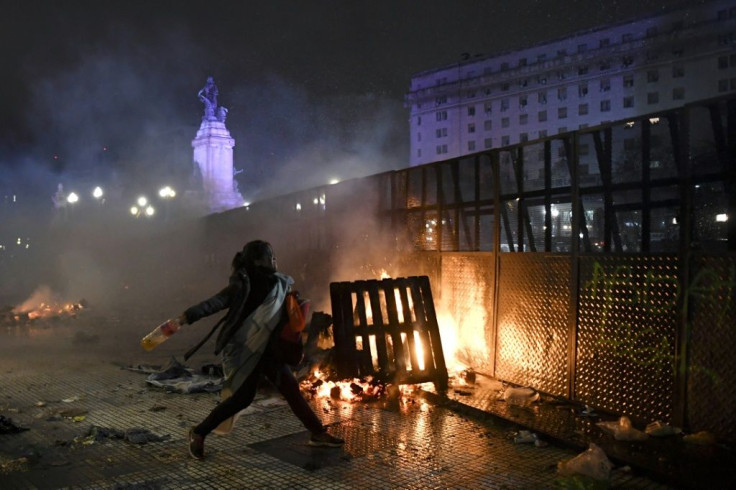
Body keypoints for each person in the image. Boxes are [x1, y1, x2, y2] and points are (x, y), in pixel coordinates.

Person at [177, 240, 344, 459]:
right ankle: (198, 432)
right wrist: (188, 315)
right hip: (246, 350)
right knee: (242, 399)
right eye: (270, 256)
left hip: (269, 350)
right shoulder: (242, 284)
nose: (274, 260)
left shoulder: (279, 284)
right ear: (258, 260)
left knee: (291, 390)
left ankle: (318, 433)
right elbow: (216, 302)